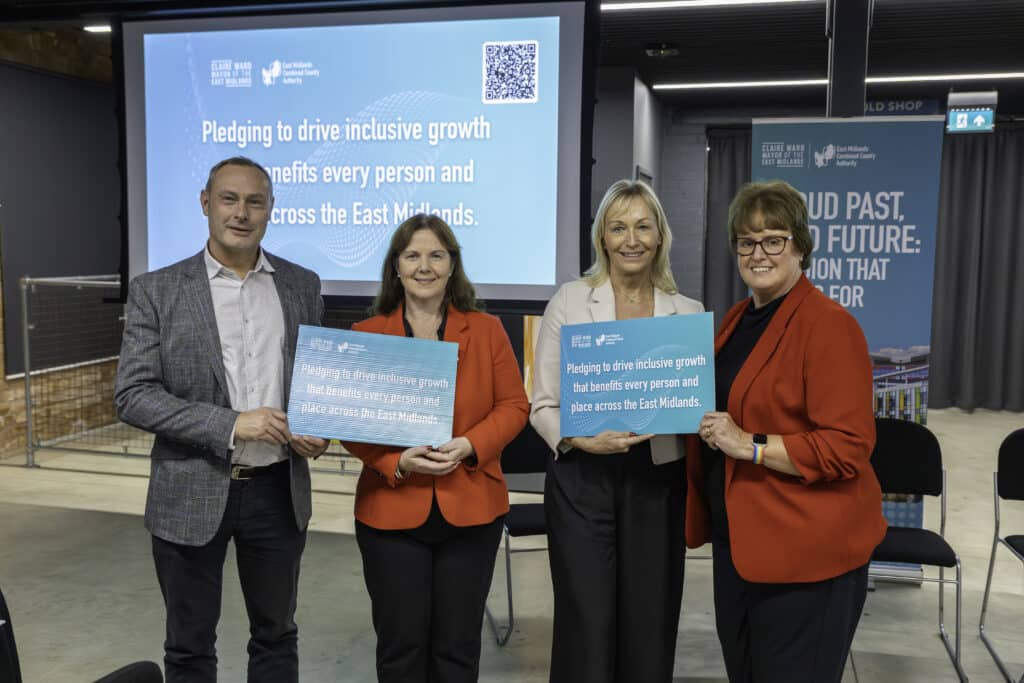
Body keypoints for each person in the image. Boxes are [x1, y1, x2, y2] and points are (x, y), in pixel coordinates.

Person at [114, 156, 327, 683]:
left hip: (278, 489)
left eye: (255, 201)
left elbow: (312, 383)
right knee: (189, 648)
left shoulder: (301, 285)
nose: (241, 213)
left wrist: (316, 427)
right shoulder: (157, 289)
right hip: (189, 487)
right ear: (206, 203)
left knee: (277, 636)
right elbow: (134, 395)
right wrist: (231, 425)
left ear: (271, 209)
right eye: (229, 199)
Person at [689, 180, 886, 683]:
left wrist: (749, 445)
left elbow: (847, 447)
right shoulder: (739, 318)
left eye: (773, 239)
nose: (758, 253)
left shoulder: (829, 324)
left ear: (800, 246)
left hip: (806, 557)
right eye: (746, 241)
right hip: (741, 546)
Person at [530, 179, 703, 683]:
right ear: (602, 238)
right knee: (586, 622)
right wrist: (579, 438)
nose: (631, 239)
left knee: (650, 619)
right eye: (618, 227)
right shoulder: (570, 301)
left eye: (643, 227)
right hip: (582, 480)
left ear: (659, 236)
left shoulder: (688, 313)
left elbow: (693, 407)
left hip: (657, 482)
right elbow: (542, 405)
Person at [343, 214, 528, 683]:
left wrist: (471, 444)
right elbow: (352, 423)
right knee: (400, 649)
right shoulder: (367, 334)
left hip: (471, 509)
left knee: (457, 651)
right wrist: (395, 461)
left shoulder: (487, 330)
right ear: (396, 267)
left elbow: (514, 406)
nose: (424, 266)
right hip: (390, 512)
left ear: (452, 265)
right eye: (412, 255)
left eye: (436, 255)